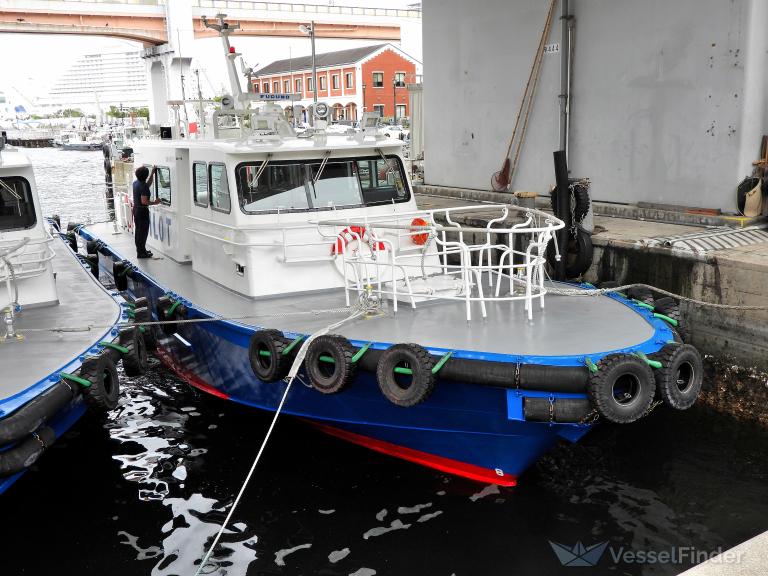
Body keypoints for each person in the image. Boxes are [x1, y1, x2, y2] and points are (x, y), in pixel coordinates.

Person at [133, 165, 160, 258]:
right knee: (143, 233)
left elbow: (147, 185)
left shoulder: (136, 183)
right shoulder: (143, 186)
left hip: (136, 209)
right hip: (142, 211)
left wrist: (152, 174)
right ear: (145, 175)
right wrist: (155, 202)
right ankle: (141, 253)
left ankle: (141, 250)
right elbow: (144, 201)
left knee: (138, 231)